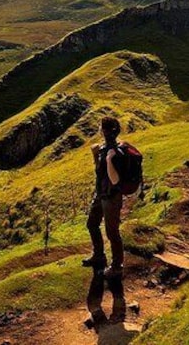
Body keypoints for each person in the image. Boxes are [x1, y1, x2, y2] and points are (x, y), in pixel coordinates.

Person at [82, 116, 125, 279]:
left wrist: (108, 159)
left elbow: (114, 180)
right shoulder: (103, 148)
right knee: (92, 223)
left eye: (101, 128)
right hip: (101, 194)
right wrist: (96, 156)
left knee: (112, 232)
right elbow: (99, 174)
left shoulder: (115, 153)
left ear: (104, 131)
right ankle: (99, 255)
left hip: (112, 197)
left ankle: (117, 266)